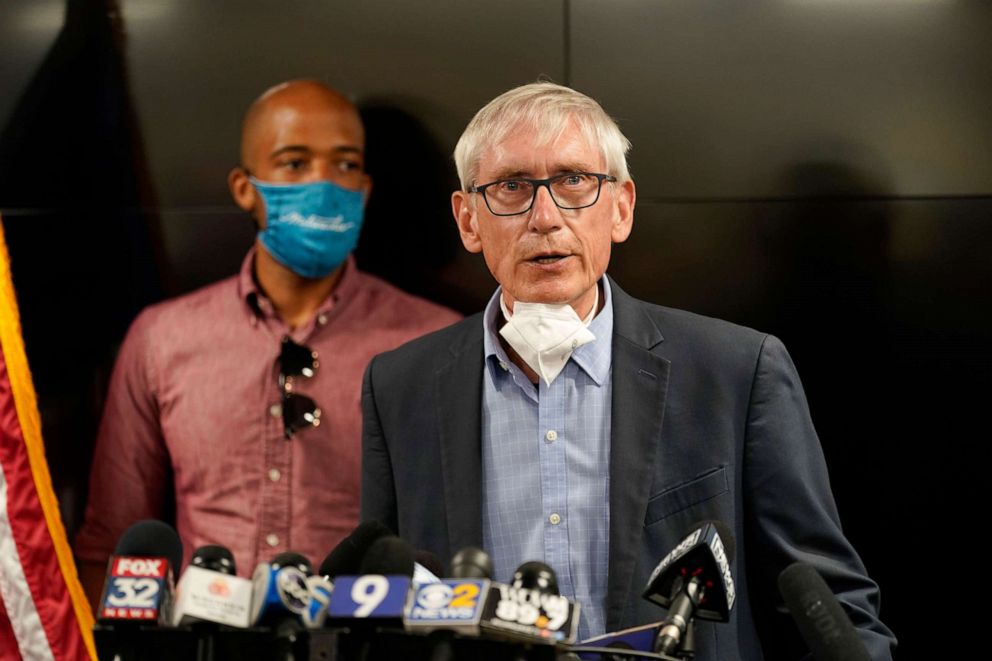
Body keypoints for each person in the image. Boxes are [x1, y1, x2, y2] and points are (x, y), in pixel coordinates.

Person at [361, 82, 896, 658]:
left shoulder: (735, 372)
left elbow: (827, 599)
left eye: (573, 182)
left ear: (621, 208)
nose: (545, 217)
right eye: (512, 187)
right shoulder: (400, 386)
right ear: (467, 221)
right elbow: (384, 598)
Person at [75, 80, 460, 606]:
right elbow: (108, 545)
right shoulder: (162, 338)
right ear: (244, 188)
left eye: (345, 165)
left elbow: (456, 539)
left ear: (366, 190)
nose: (323, 184)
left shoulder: (432, 340)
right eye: (294, 162)